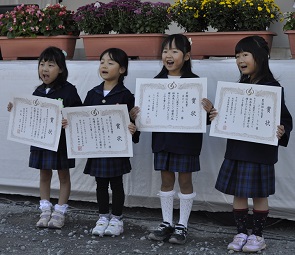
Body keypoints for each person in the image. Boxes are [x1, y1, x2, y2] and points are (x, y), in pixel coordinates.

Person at [210, 36, 293, 253]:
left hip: (260, 151)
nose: (240, 60)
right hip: (238, 149)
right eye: (237, 56)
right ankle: (240, 232)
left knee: (259, 195)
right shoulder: (238, 88)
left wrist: (281, 130)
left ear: (260, 57)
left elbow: (285, 119)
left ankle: (257, 236)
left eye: (245, 54)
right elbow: (228, 117)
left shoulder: (273, 88)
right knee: (238, 193)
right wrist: (215, 115)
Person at [131, 34, 213, 244]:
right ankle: (167, 222)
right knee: (166, 180)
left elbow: (201, 118)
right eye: (165, 51)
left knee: (185, 181)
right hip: (163, 140)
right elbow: (144, 116)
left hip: (187, 142)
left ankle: (182, 225)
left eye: (174, 51)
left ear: (186, 56)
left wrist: (209, 111)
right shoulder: (154, 84)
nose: (168, 55)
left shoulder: (195, 84)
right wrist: (135, 115)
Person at [7, 46, 82, 229]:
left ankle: (60, 211)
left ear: (61, 69)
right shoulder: (38, 92)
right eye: (42, 64)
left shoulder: (69, 90)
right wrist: (17, 109)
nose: (45, 69)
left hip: (61, 142)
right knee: (44, 174)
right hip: (42, 141)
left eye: (50, 65)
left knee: (63, 175)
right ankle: (45, 210)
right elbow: (32, 115)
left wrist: (68, 120)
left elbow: (79, 114)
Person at [82, 48, 139, 237]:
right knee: (100, 184)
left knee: (116, 183)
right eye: (102, 62)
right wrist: (71, 123)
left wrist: (133, 128)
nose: (104, 65)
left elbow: (133, 123)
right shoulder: (92, 93)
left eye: (110, 62)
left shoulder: (125, 95)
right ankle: (103, 216)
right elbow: (82, 119)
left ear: (122, 69)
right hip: (98, 147)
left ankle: (117, 218)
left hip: (116, 149)